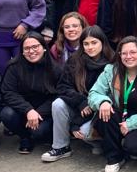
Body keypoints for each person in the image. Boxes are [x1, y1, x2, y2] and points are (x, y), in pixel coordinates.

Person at [42, 25, 115, 163]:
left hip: (99, 110)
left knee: (85, 132)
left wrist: (76, 122)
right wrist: (81, 102)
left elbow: (112, 94)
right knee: (58, 104)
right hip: (79, 106)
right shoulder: (75, 60)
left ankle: (99, 143)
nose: (90, 47)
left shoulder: (112, 62)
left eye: (94, 43)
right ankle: (61, 147)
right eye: (86, 43)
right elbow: (63, 87)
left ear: (102, 42)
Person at [89, 36, 137, 172]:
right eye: (124, 53)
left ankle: (126, 145)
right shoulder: (110, 70)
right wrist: (103, 101)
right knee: (105, 114)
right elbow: (94, 93)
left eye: (133, 52)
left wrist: (131, 123)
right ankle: (114, 158)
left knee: (134, 148)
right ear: (119, 55)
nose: (128, 56)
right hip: (117, 115)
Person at [0, 32, 62, 154]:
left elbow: (58, 95)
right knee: (6, 114)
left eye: (35, 47)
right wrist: (28, 110)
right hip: (21, 110)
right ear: (22, 51)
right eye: (27, 48)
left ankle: (38, 135)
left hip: (44, 113)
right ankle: (24, 137)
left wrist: (38, 113)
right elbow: (8, 92)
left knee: (39, 132)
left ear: (44, 47)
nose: (31, 51)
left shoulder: (55, 69)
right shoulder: (14, 67)